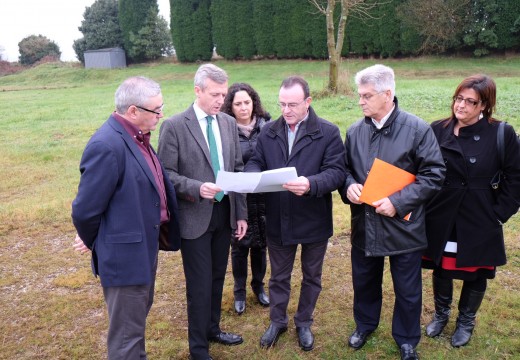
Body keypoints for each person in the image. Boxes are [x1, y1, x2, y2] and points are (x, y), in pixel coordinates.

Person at [71, 76, 182, 359]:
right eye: (156, 110)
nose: (161, 115)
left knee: (134, 326)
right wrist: (100, 240)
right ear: (133, 111)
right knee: (126, 338)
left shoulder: (137, 137)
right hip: (124, 258)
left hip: (142, 250)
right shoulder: (107, 145)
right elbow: (85, 210)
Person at [340, 64, 446, 360]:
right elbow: (345, 170)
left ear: (388, 94)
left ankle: (407, 338)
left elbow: (434, 174)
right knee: (364, 281)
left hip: (403, 227)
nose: (360, 101)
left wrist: (399, 203)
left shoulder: (417, 130)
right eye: (359, 95)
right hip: (365, 225)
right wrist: (349, 186)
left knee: (408, 289)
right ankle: (365, 325)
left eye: (367, 96)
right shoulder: (354, 131)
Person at [245, 76, 346, 351]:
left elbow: (337, 172)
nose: (286, 110)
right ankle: (277, 321)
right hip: (279, 217)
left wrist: (311, 184)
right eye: (282, 104)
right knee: (278, 277)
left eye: (292, 104)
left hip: (313, 217)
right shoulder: (269, 131)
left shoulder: (328, 131)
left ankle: (304, 321)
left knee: (312, 276)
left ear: (308, 102)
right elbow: (256, 160)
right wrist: (252, 175)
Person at [157, 64, 248, 360]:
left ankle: (213, 329)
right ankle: (199, 349)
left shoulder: (227, 123)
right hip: (194, 218)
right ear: (197, 90)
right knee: (199, 283)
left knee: (218, 276)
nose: (220, 99)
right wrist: (197, 188)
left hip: (224, 213)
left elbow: (237, 170)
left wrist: (241, 214)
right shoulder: (174, 126)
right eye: (214, 94)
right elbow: (165, 174)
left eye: (223, 94)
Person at [423, 74, 520, 347]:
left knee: (475, 271)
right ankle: (441, 315)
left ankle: (466, 321)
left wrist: (500, 212)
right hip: (441, 212)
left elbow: (516, 177)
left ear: (484, 106)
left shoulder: (501, 133)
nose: (461, 106)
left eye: (470, 101)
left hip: (480, 213)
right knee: (441, 266)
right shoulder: (437, 129)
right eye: (458, 98)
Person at [221, 83, 271, 315]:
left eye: (247, 102)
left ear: (254, 103)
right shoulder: (226, 130)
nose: (243, 108)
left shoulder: (267, 127)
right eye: (238, 103)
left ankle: (258, 286)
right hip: (239, 198)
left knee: (261, 244)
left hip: (263, 196)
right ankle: (239, 291)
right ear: (230, 106)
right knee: (240, 245)